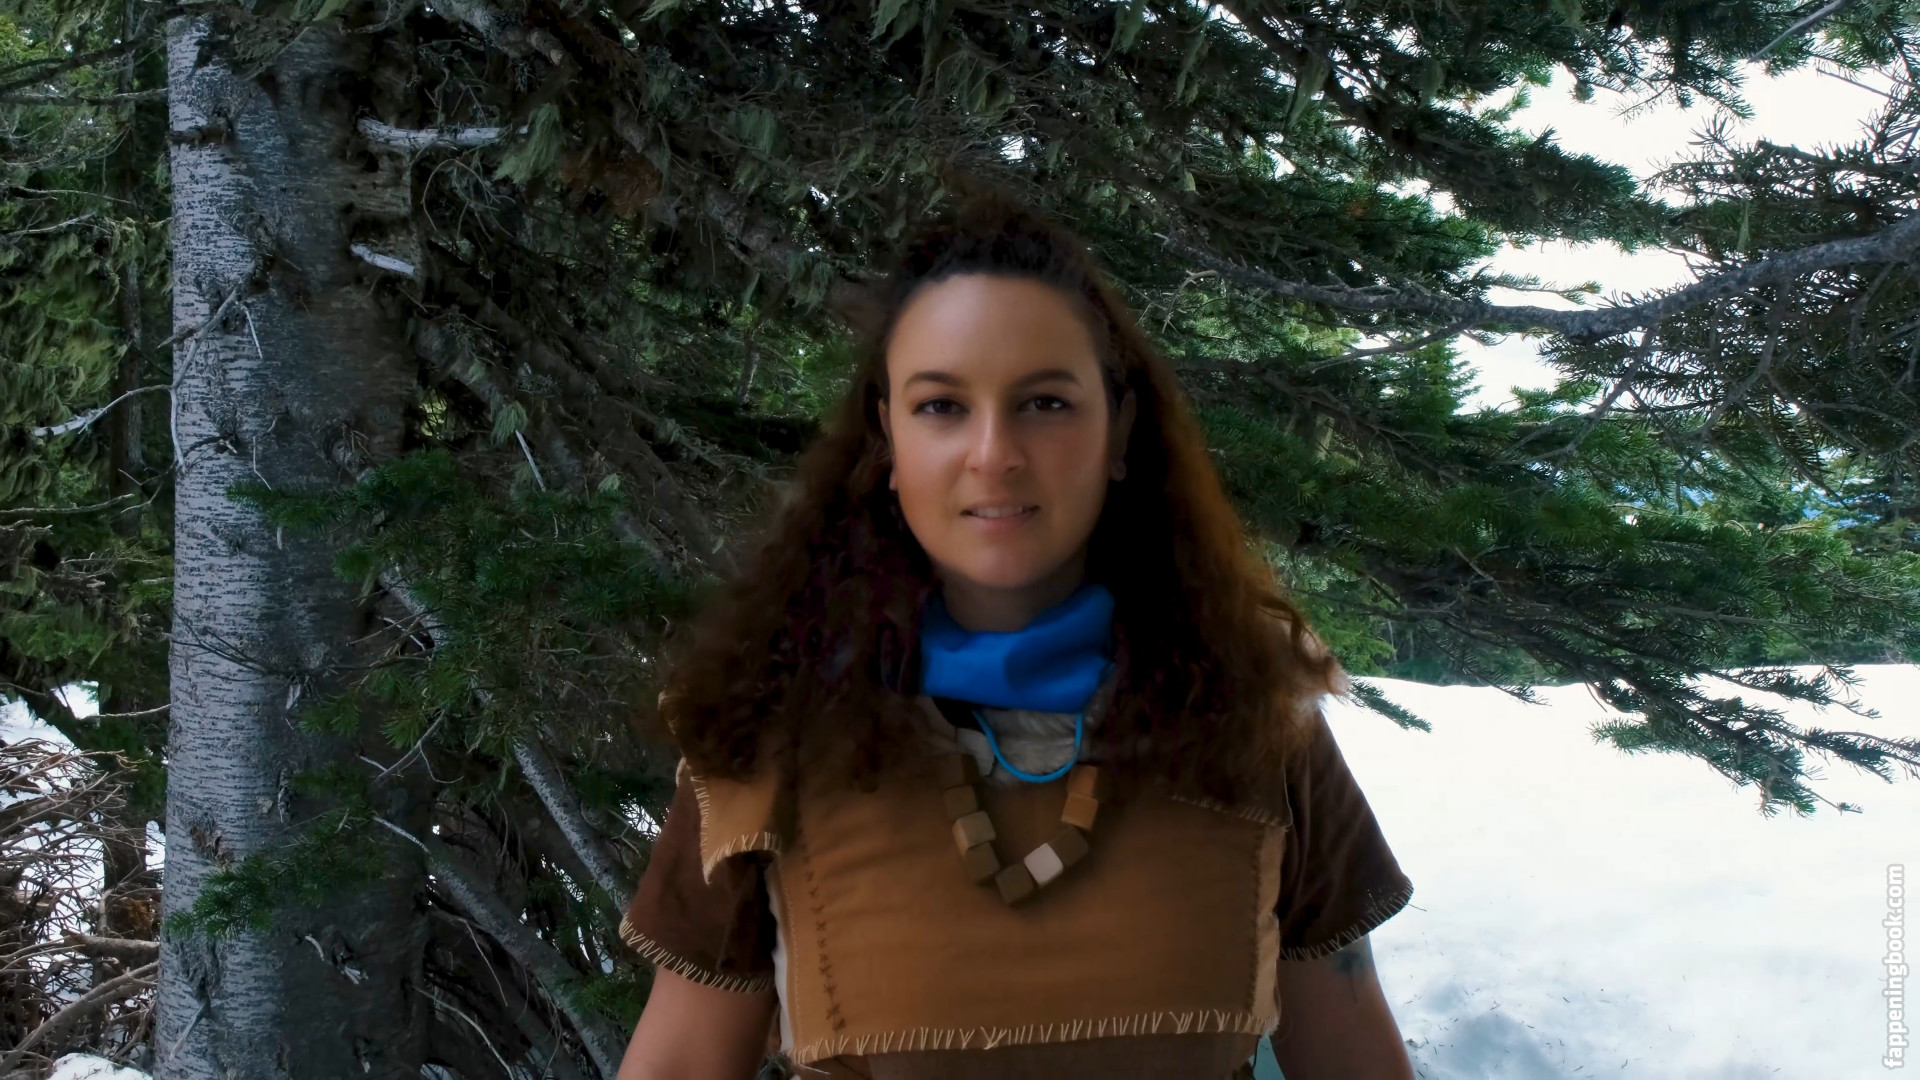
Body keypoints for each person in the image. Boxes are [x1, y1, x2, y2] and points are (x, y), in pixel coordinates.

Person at [614, 193, 1417, 1080]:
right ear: (887, 438)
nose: (994, 453)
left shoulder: (1255, 713)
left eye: (1044, 402)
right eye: (941, 406)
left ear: (1119, 430)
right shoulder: (766, 729)